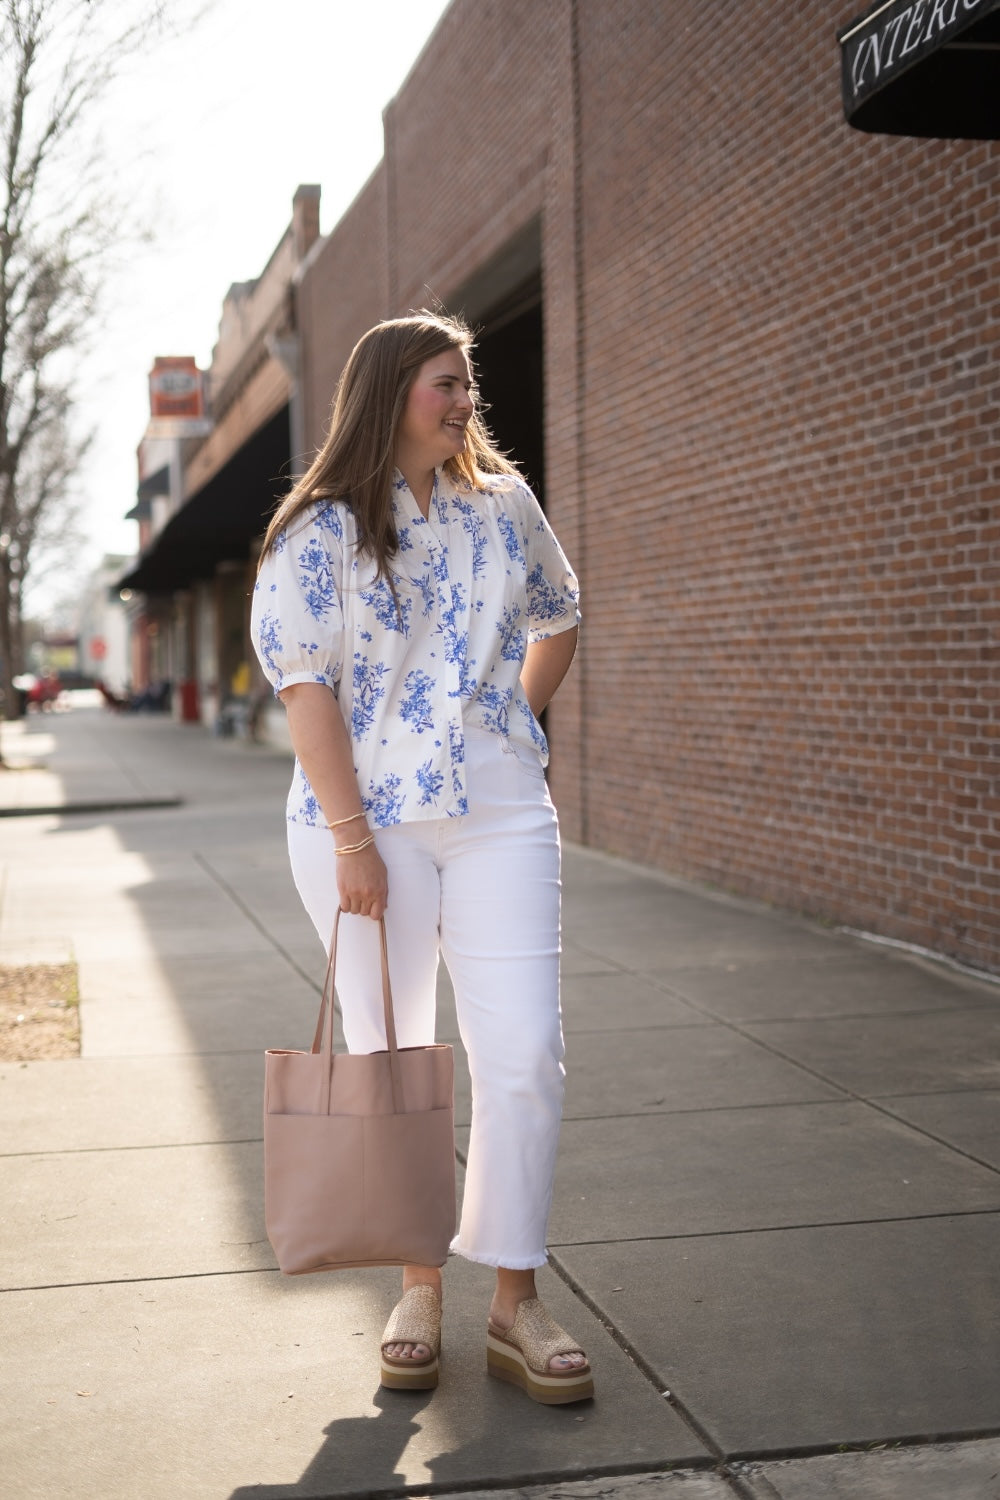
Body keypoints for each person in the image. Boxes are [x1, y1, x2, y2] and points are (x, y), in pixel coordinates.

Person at [251, 310, 592, 1405]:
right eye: (446, 383)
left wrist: (515, 721)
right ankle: (415, 1287)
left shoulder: (504, 510)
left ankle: (514, 1303)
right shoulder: (318, 532)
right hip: (368, 825)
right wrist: (353, 839)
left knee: (524, 1054)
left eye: (468, 383)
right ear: (391, 390)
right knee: (393, 1056)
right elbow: (306, 690)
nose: (465, 400)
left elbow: (560, 614)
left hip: (497, 808)